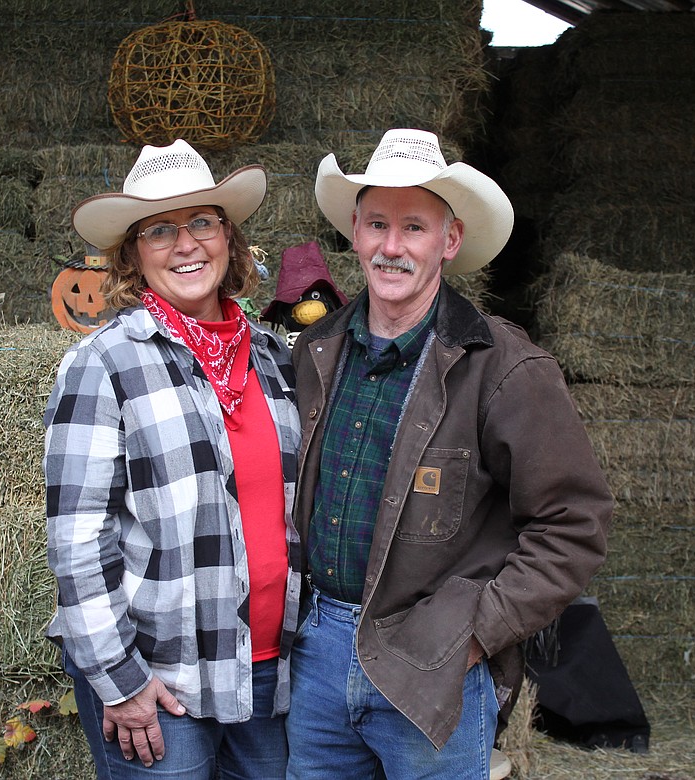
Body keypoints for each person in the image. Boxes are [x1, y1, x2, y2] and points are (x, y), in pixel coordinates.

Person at [285, 128, 614, 779]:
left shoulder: (504, 368)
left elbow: (573, 525)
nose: (392, 246)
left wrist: (473, 634)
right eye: (377, 223)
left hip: (431, 663)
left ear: (450, 240)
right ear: (355, 231)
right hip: (318, 653)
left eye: (414, 226)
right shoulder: (315, 351)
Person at [43, 139, 302, 779]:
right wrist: (119, 680)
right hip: (164, 680)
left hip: (270, 674)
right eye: (160, 231)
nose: (186, 245)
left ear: (230, 239)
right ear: (133, 254)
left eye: (202, 223)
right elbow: (77, 538)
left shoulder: (276, 361)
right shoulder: (102, 364)